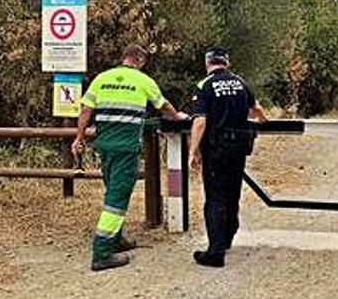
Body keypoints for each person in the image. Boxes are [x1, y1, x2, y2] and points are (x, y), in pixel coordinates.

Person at [72, 44, 188, 272]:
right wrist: (177, 116)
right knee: (117, 197)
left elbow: (85, 110)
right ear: (140, 61)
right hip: (126, 147)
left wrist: (79, 137)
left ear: (123, 58)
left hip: (104, 146)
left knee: (112, 189)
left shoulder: (101, 78)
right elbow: (163, 105)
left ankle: (116, 239)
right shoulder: (143, 81)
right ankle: (102, 252)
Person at [188, 46, 268, 268]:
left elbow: (200, 121)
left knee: (215, 197)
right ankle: (228, 237)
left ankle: (215, 252)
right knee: (233, 193)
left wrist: (193, 151)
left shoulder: (204, 85)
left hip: (216, 149)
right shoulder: (241, 83)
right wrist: (264, 121)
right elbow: (257, 111)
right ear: (227, 63)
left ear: (208, 63)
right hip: (239, 147)